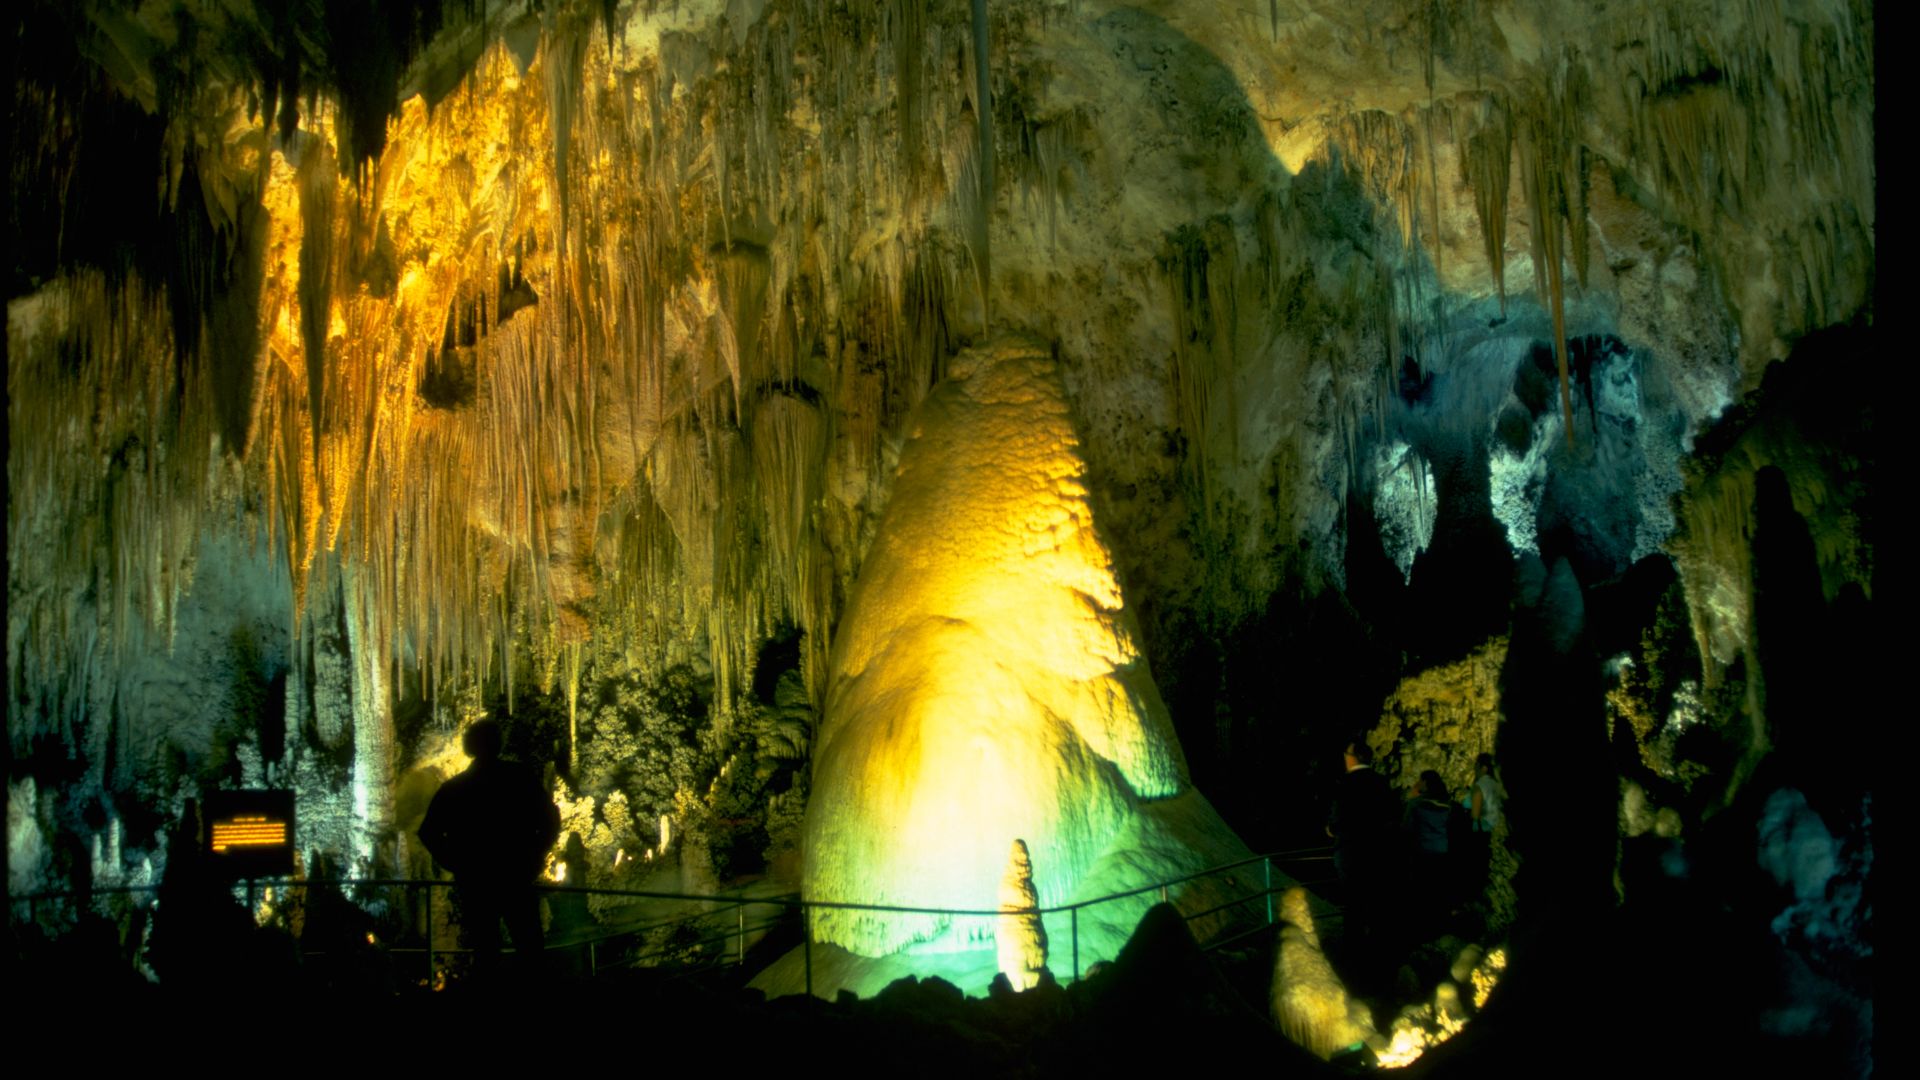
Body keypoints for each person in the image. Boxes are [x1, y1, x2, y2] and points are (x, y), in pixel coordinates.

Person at [418, 719, 561, 982]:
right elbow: (551, 819)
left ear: (470, 746)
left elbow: (428, 832)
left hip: (476, 880)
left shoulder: (456, 787)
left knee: (485, 951)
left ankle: (488, 996)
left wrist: (455, 863)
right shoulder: (519, 778)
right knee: (529, 946)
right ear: (498, 743)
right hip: (516, 875)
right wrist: (536, 852)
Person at [1326, 740, 1400, 970]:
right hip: (1378, 851)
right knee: (1376, 901)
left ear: (1353, 757)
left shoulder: (1345, 783)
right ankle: (1379, 953)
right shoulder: (1381, 782)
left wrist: (1332, 828)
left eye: (1346, 753)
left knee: (1353, 904)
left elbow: (1338, 817)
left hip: (1351, 852)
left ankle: (1353, 956)